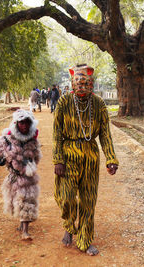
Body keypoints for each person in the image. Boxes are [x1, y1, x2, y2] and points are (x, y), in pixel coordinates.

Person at [52, 64, 119, 256]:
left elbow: (105, 134)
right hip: (68, 154)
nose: (82, 87)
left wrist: (111, 158)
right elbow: (57, 133)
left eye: (86, 83)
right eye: (78, 83)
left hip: (90, 155)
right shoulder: (64, 102)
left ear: (92, 84)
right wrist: (58, 159)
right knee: (66, 198)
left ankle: (85, 238)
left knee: (88, 200)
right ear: (72, 84)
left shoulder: (99, 104)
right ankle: (69, 225)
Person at [0, 109, 42, 241]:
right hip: (13, 177)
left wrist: (28, 165)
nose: (24, 125)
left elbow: (36, 156)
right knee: (17, 201)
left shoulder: (32, 140)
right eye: (21, 123)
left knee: (26, 200)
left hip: (27, 178)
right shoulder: (7, 139)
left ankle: (25, 231)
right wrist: (6, 159)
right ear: (16, 123)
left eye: (27, 123)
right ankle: (21, 224)